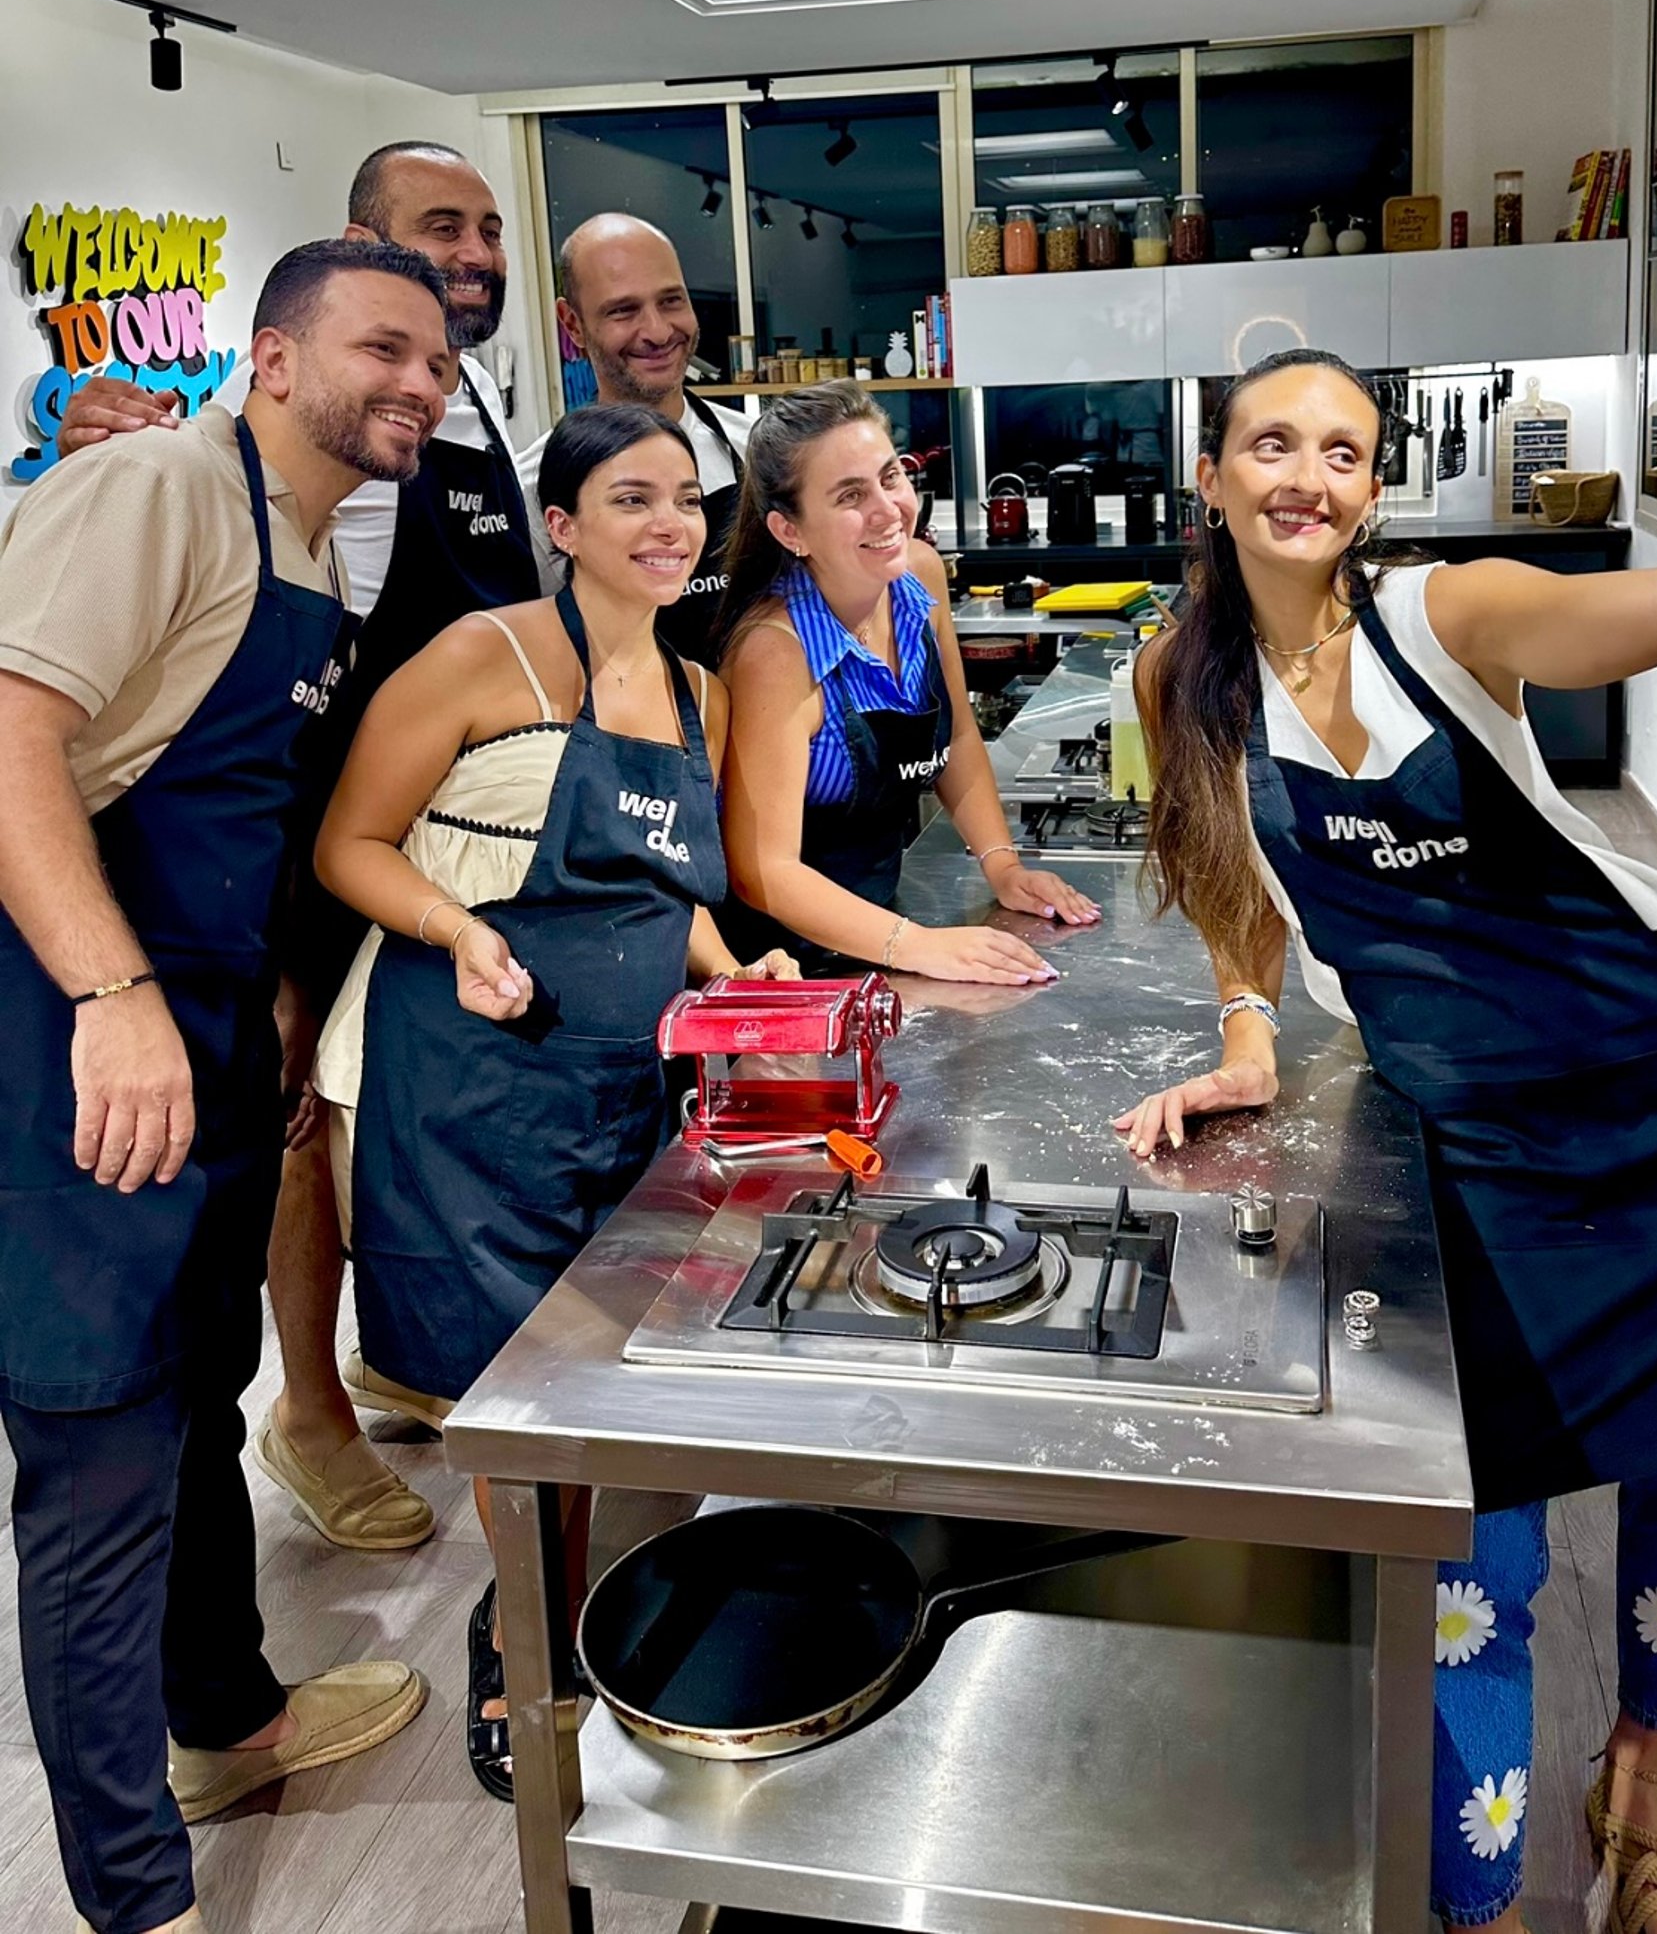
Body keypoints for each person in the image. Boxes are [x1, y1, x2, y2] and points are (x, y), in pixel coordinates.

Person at [1125, 347, 1657, 1934]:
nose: (1307, 476)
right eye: (1271, 444)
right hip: (1473, 1155)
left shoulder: (1446, 619)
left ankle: (1641, 1798)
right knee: (1472, 1543)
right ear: (1210, 476)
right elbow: (1227, 884)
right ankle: (1478, 1890)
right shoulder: (1178, 680)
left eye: (1343, 452)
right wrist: (1243, 1034)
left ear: (1371, 486)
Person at [0, 239, 450, 1934]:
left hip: (196, 1021)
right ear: (269, 356)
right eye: (377, 347)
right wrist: (111, 990)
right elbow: (9, 733)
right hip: (65, 1022)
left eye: (431, 359)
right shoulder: (152, 488)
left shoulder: (310, 554)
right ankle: (136, 1900)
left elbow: (221, 798)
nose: (412, 380)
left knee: (194, 1389)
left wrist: (252, 986)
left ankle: (230, 1721)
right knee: (102, 1450)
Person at [58, 141, 543, 1554]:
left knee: (376, 1096)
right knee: (290, 1131)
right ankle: (311, 1410)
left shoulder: (477, 411)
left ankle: (387, 1354)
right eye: (436, 230)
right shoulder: (219, 459)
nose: (473, 256)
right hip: (272, 832)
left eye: (489, 232)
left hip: (415, 824)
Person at [309, 402, 796, 1797]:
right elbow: (353, 841)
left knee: (590, 1366)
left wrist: (734, 960)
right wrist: (459, 933)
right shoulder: (485, 654)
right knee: (507, 1393)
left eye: (685, 501)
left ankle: (558, 1601)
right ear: (564, 525)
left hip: (617, 1071)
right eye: (629, 499)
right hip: (469, 1075)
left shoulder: (699, 692)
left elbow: (665, 892)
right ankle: (518, 1645)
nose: (666, 524)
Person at [715, 381, 1098, 982]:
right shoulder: (775, 652)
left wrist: (1002, 866)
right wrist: (917, 946)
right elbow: (763, 869)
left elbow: (957, 737)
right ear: (791, 531)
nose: (888, 509)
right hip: (789, 964)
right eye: (849, 495)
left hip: (886, 931)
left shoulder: (917, 575)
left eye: (889, 476)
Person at [551, 210, 748, 657]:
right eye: (623, 310)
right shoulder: (540, 481)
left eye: (672, 301)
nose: (658, 331)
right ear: (573, 324)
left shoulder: (760, 449)